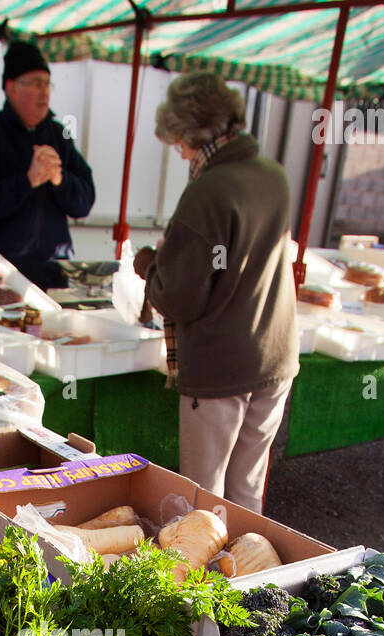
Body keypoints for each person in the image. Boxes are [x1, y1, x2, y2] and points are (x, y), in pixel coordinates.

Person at [134, 73, 299, 513]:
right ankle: (251, 577)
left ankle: (201, 583)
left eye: (178, 143)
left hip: (222, 365)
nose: (179, 152)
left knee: (202, 501)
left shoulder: (208, 191)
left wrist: (148, 265)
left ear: (188, 133)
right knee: (245, 495)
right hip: (275, 357)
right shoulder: (273, 175)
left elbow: (179, 296)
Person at [0, 41, 96, 291]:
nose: (44, 92)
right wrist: (27, 181)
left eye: (47, 83)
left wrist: (59, 179)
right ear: (11, 88)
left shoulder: (60, 135)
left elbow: (84, 203)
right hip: (0, 278)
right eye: (35, 83)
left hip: (54, 275)